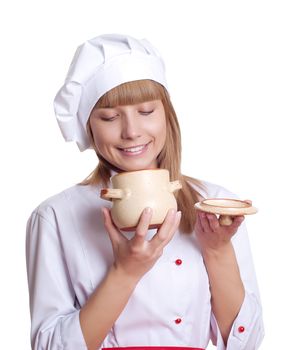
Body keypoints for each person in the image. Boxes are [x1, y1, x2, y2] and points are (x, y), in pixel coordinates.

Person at [26, 34, 264, 350]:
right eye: (110, 117)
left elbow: (245, 343)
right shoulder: (55, 216)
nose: (132, 131)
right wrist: (125, 272)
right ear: (88, 126)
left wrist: (217, 250)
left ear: (167, 114)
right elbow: (50, 347)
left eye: (146, 111)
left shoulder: (213, 204)